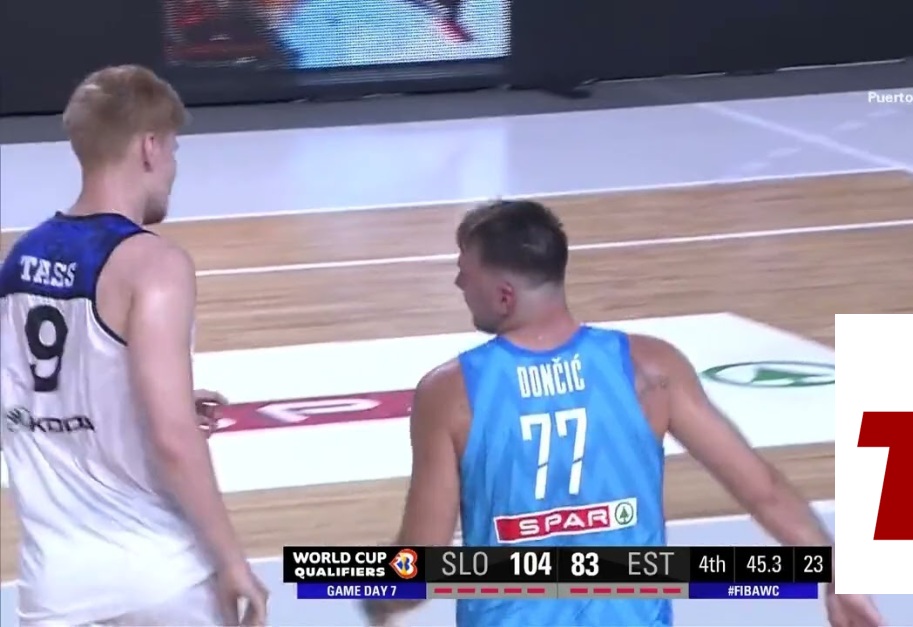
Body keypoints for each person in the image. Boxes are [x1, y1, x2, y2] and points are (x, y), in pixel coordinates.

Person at [361, 199, 883, 626]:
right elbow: (762, 489)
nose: (458, 285)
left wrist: (379, 601)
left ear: (504, 296)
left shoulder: (450, 392)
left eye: (464, 272)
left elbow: (421, 561)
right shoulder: (652, 368)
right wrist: (834, 570)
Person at [0, 65, 267, 626]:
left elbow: (30, 404)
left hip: (52, 589)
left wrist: (127, 403)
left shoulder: (19, 261)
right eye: (173, 149)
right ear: (149, 147)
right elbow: (173, 440)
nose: (173, 168)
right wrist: (231, 560)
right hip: (159, 577)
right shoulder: (154, 264)